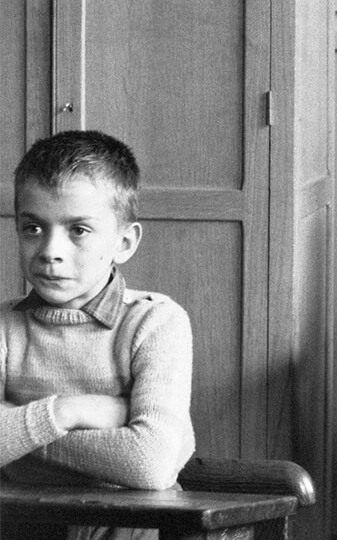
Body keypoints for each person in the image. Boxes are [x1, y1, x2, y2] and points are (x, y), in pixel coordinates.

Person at [2, 130, 195, 539]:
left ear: (124, 242)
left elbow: (150, 463)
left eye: (79, 230)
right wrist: (69, 411)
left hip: (128, 531)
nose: (50, 250)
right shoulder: (4, 326)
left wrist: (17, 438)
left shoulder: (155, 322)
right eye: (32, 227)